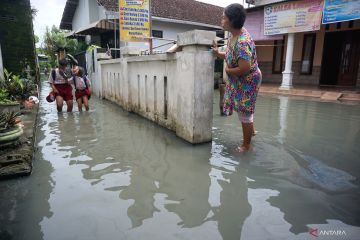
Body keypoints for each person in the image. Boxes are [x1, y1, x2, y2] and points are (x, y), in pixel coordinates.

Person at [212, 3, 262, 152]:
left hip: (248, 80)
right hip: (243, 78)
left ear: (232, 21)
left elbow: (244, 67)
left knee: (244, 111)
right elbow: (232, 55)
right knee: (244, 109)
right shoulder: (234, 35)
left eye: (224, 18)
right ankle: (251, 131)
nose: (221, 21)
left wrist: (228, 70)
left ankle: (246, 145)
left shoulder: (242, 42)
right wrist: (218, 53)